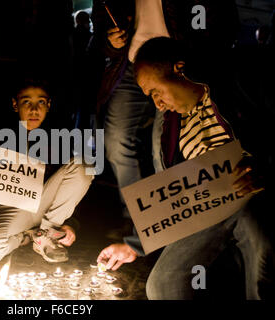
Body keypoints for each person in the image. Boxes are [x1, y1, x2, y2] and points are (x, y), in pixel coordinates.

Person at [97, 37, 274, 300]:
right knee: (161, 286)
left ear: (179, 69)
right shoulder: (169, 132)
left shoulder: (237, 86)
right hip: (208, 208)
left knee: (263, 266)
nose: (157, 104)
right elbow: (177, 199)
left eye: (156, 92)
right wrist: (134, 245)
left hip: (253, 196)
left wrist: (266, 169)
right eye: (150, 97)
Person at [91, 0, 239, 238]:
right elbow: (99, 29)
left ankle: (173, 221)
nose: (157, 103)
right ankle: (143, 225)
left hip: (172, 66)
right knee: (117, 141)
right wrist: (111, 43)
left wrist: (197, 52)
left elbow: (218, 17)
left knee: (164, 147)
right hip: (129, 65)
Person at [0, 79, 94, 264]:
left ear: (48, 105)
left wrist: (71, 224)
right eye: (26, 102)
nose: (34, 109)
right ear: (15, 104)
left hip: (44, 206)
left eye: (40, 102)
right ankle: (27, 237)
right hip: (6, 209)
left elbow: (71, 189)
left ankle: (46, 233)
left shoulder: (59, 138)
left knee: (84, 164)